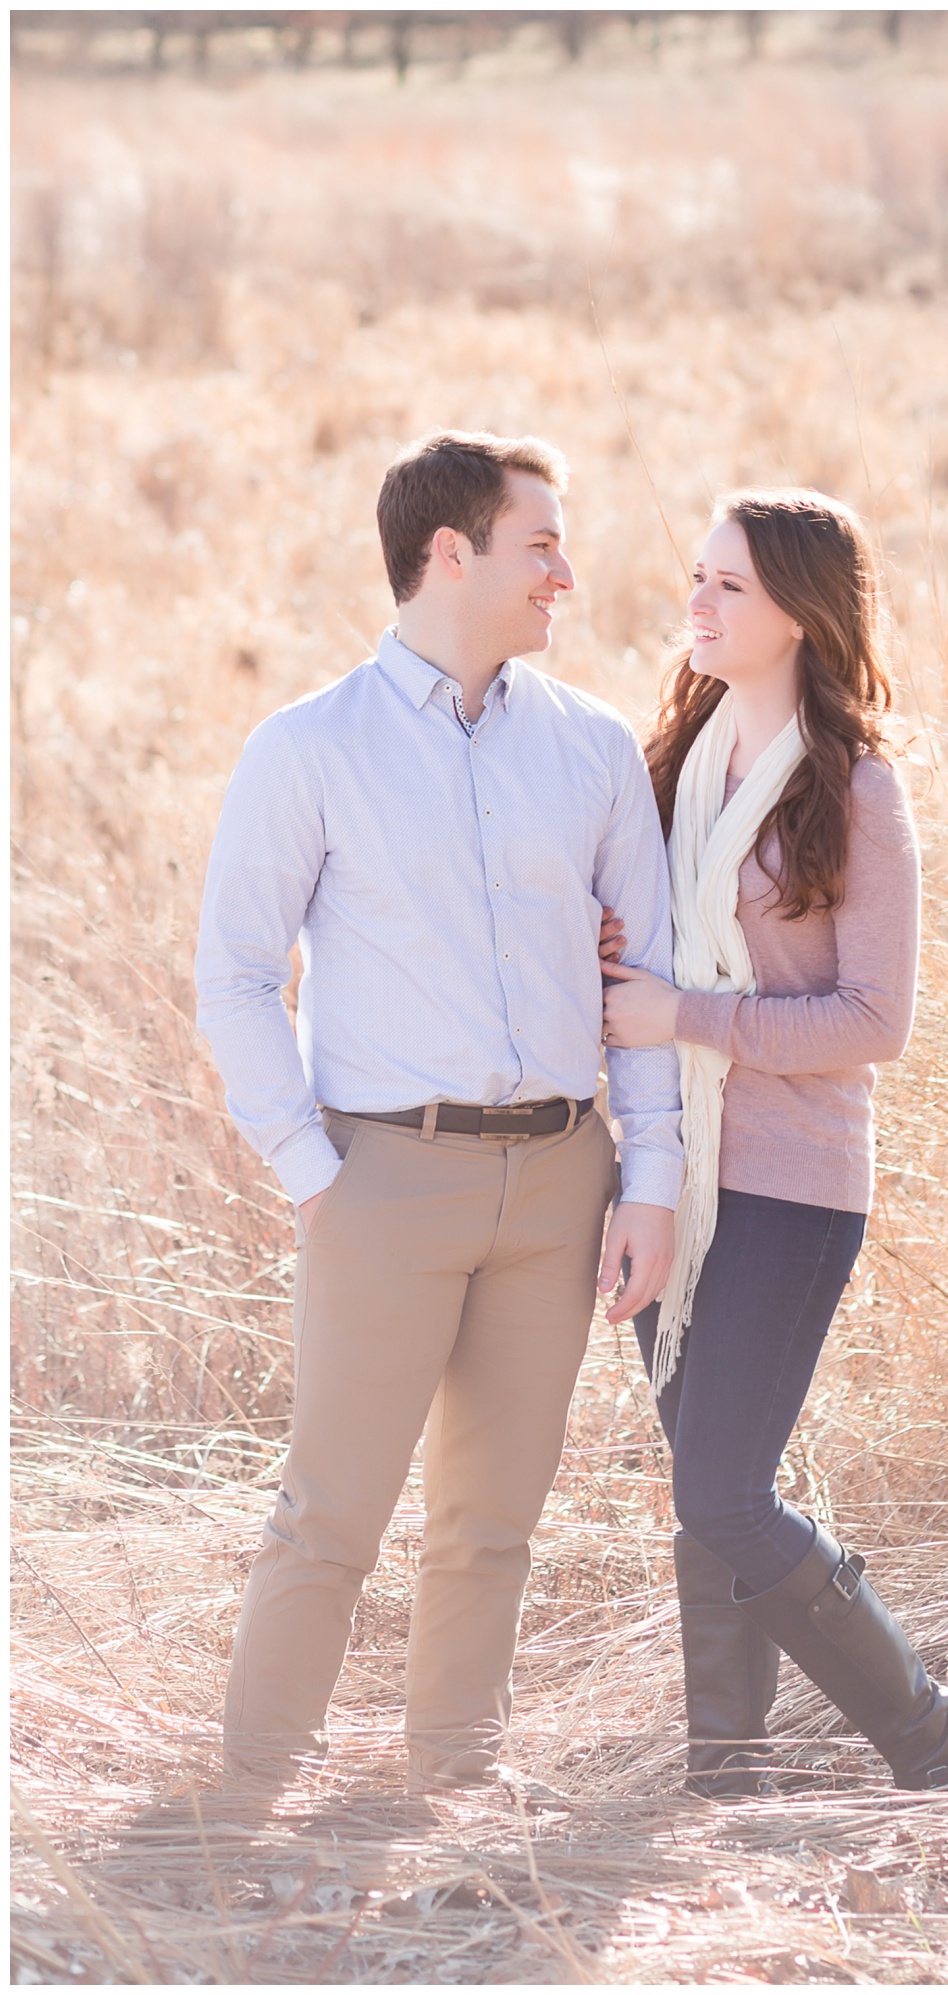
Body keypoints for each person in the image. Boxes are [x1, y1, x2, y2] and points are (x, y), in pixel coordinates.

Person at [194, 429, 681, 1794]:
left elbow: (640, 978)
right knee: (330, 1516)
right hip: (382, 1181)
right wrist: (310, 1165)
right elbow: (233, 976)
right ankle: (241, 1801)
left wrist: (646, 1178)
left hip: (560, 1181)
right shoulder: (308, 749)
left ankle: (450, 1791)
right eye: (541, 545)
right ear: (448, 554)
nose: (566, 575)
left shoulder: (588, 748)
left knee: (493, 1523)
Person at [600, 489, 948, 1795]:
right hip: (668, 1169)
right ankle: (726, 1761)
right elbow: (636, 945)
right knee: (703, 1480)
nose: (699, 604)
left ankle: (926, 1727)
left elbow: (873, 1021)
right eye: (697, 578)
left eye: (728, 585)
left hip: (790, 1189)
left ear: (797, 611)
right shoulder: (672, 759)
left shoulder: (857, 791)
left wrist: (688, 1014)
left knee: (722, 1486)